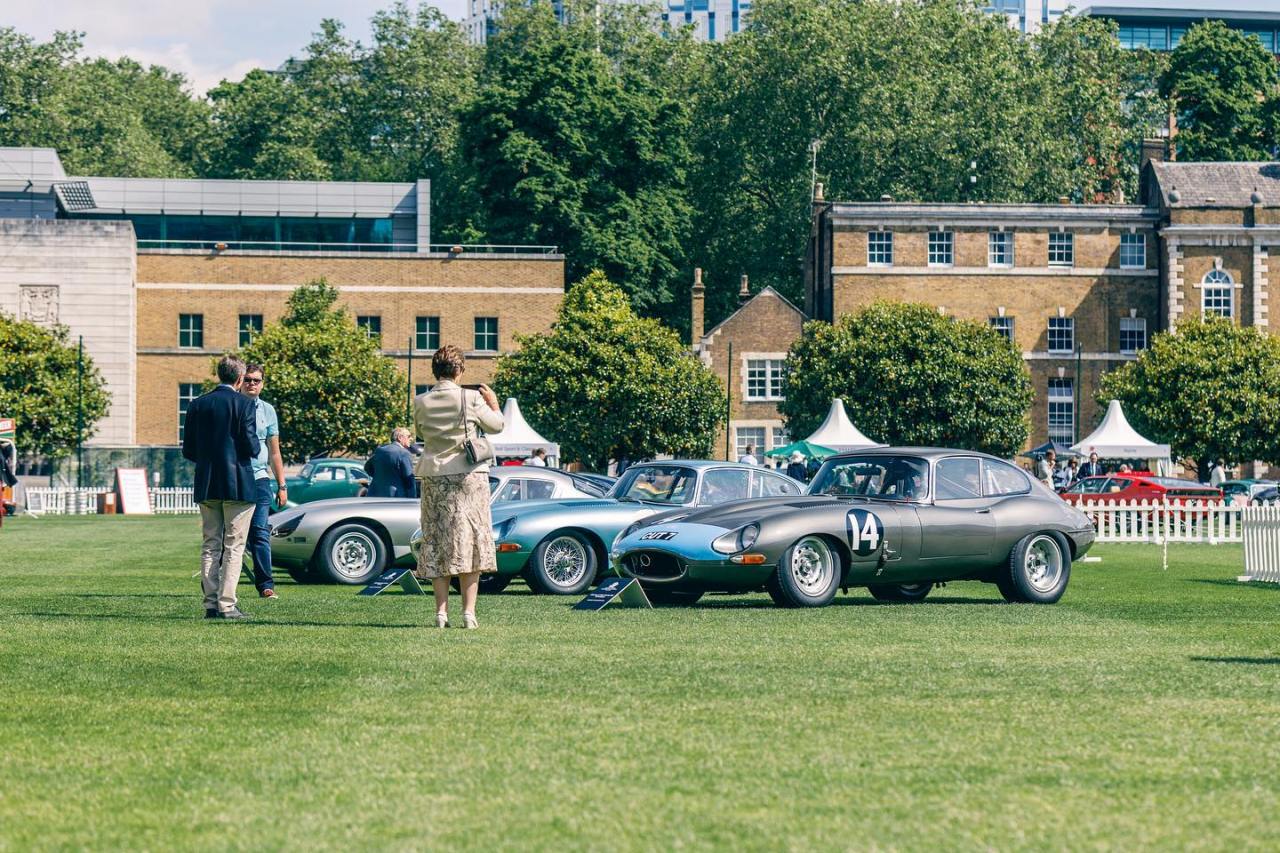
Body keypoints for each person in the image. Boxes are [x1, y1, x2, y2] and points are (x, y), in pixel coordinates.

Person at [413, 346, 505, 629]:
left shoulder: (420, 401)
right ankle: (468, 613)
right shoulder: (471, 397)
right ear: (459, 370)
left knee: (437, 541)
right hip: (468, 476)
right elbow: (497, 426)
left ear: (435, 371)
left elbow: (420, 432)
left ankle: (441, 614)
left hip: (434, 476)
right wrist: (494, 403)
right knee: (471, 540)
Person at [181, 356, 260, 621]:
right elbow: (251, 446)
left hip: (207, 482)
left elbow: (188, 449)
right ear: (239, 379)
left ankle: (211, 604)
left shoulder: (197, 404)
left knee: (210, 545)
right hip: (238, 483)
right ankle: (227, 604)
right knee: (234, 546)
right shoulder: (245, 404)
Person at [240, 363, 287, 599]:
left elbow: (275, 452)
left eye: (256, 380)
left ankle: (266, 586)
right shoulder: (233, 406)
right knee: (231, 534)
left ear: (262, 384)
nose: (252, 384)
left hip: (260, 479)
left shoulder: (268, 411)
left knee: (260, 532)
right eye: (248, 379)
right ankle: (220, 585)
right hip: (236, 477)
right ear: (240, 381)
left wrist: (282, 485)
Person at [365, 427, 417, 498]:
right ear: (400, 437)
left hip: (375, 494)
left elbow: (367, 468)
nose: (411, 439)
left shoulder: (380, 450)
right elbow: (409, 480)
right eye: (409, 436)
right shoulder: (404, 453)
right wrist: (412, 498)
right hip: (395, 497)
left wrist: (380, 477)